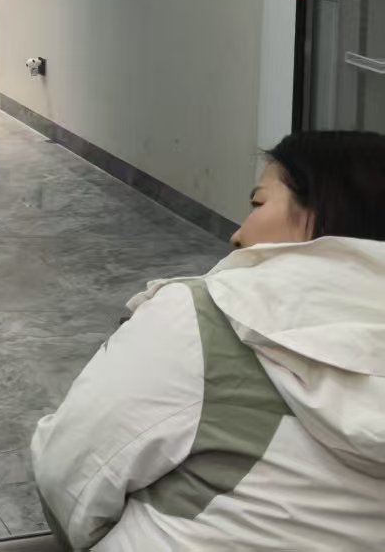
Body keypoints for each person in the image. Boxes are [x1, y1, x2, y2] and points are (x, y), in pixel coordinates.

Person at [31, 130, 385, 550]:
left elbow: (67, 476)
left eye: (258, 204)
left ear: (326, 209)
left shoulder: (202, 320)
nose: (238, 233)